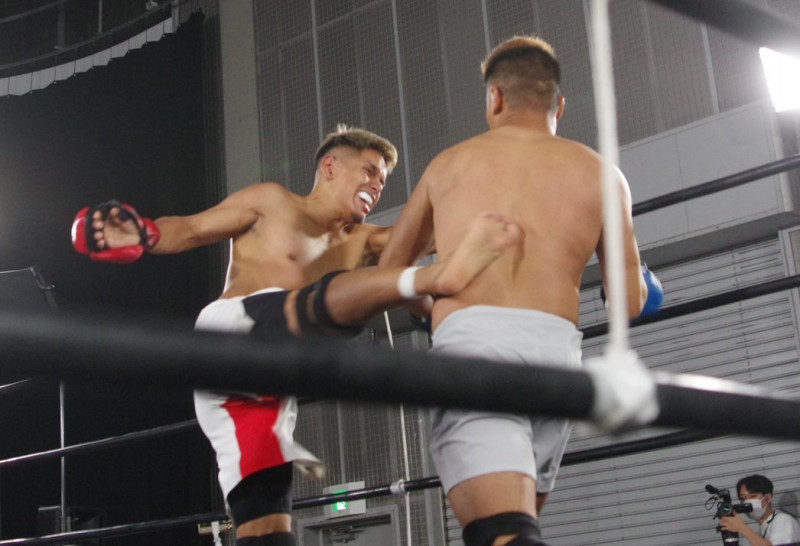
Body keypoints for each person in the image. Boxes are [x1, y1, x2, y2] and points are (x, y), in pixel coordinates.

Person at [72, 124, 522, 546]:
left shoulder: (363, 240)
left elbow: (436, 233)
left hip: (263, 394)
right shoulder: (271, 202)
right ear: (330, 166)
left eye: (382, 180)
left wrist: (515, 207)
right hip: (231, 336)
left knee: (266, 526)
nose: (376, 185)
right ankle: (429, 281)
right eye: (369, 171)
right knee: (341, 292)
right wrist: (144, 233)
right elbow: (190, 228)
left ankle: (426, 290)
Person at [378, 36, 662, 546]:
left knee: (503, 533)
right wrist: (643, 278)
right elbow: (630, 303)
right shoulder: (604, 175)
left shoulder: (450, 164)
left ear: (495, 98)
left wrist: (428, 307)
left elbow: (390, 270)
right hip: (557, 361)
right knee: (512, 527)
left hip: (475, 350)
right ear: (559, 105)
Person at [719, 475, 800, 546]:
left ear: (768, 498)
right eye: (743, 498)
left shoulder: (783, 521)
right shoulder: (764, 527)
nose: (747, 502)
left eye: (753, 496)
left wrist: (742, 527)